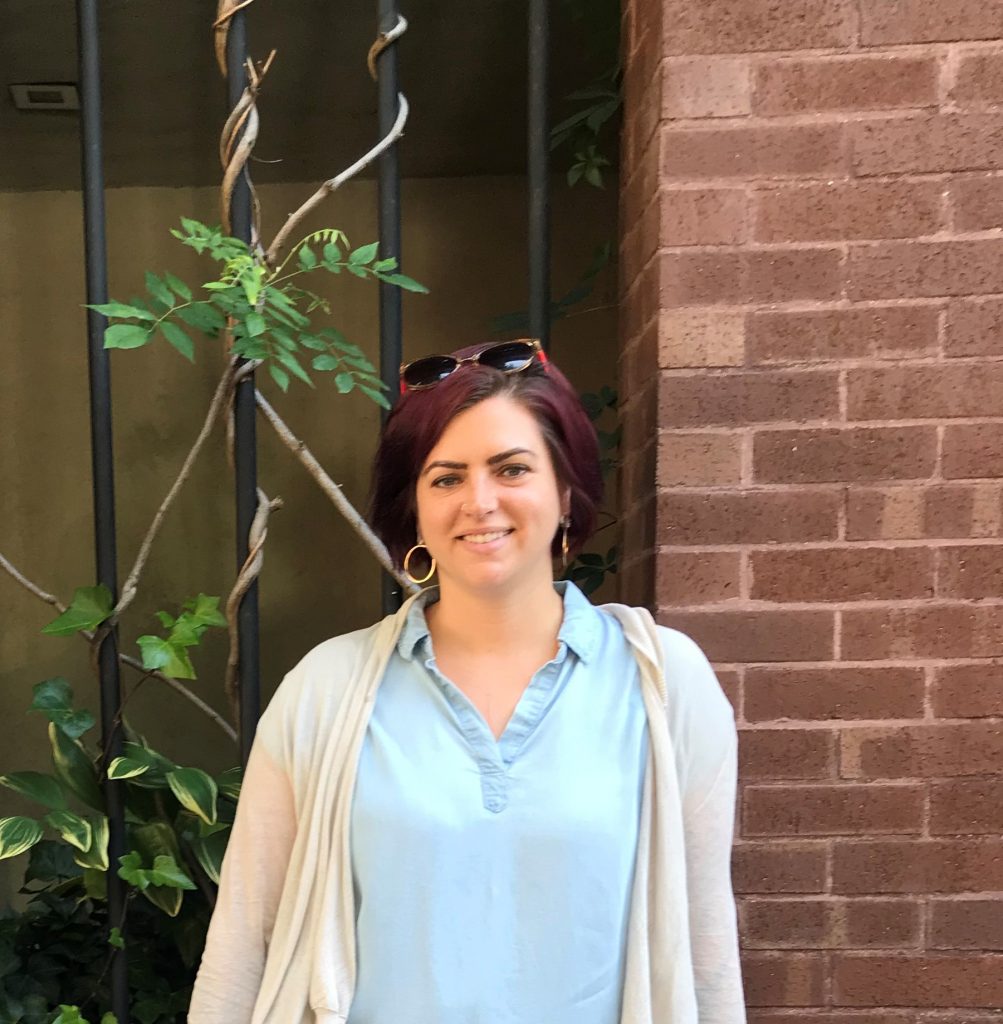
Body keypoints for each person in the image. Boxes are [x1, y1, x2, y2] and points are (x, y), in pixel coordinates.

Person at [188, 339, 745, 1024]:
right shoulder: (325, 691)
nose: (479, 502)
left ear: (564, 493)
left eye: (511, 469)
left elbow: (704, 946)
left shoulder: (664, 683)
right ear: (415, 510)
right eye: (446, 479)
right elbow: (244, 938)